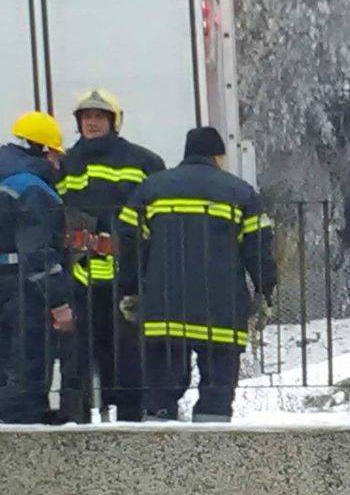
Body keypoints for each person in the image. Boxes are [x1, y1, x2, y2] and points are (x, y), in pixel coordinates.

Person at [117, 127, 276, 422]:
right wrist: (265, 292)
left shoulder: (150, 190)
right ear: (218, 156)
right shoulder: (240, 193)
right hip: (221, 312)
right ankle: (211, 455)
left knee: (161, 393)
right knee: (216, 394)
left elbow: (129, 247)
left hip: (164, 310)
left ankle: (159, 448)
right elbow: (259, 249)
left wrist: (130, 291)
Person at [57, 89, 165, 422]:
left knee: (127, 352)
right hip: (79, 276)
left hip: (126, 275)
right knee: (77, 354)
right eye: (86, 117)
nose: (91, 122)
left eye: (99, 116)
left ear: (113, 121)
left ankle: (132, 417)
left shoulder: (143, 161)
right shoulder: (66, 162)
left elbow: (156, 216)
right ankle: (77, 419)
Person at [0, 112, 73, 423]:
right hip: (23, 288)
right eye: (56, 154)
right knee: (27, 368)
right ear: (44, 151)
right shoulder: (35, 188)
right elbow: (38, 253)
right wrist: (59, 301)